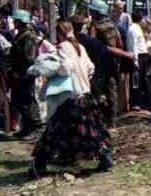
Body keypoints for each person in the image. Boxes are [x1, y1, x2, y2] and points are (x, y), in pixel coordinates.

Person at [30, 21, 113, 177]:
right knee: (92, 130)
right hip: (85, 95)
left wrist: (54, 73)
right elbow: (90, 68)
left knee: (54, 131)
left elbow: (66, 68)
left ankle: (39, 164)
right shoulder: (80, 48)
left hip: (71, 97)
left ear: (60, 33)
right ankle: (105, 159)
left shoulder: (62, 48)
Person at [89, 0, 121, 127]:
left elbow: (91, 44)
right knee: (111, 91)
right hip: (112, 61)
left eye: (92, 11)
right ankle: (112, 121)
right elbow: (119, 43)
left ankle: (97, 121)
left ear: (97, 12)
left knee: (96, 92)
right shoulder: (112, 24)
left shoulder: (95, 27)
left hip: (99, 62)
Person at [9, 10, 40, 140]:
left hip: (25, 74)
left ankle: (34, 128)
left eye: (16, 20)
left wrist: (21, 72)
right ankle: (26, 128)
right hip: (19, 73)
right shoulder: (21, 34)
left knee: (28, 101)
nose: (14, 23)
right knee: (20, 102)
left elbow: (30, 58)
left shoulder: (28, 36)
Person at [126, 11, 150, 111]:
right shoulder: (133, 29)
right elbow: (133, 46)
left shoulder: (137, 28)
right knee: (136, 81)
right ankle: (135, 103)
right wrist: (135, 61)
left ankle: (142, 101)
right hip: (138, 57)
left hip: (142, 56)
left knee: (142, 80)